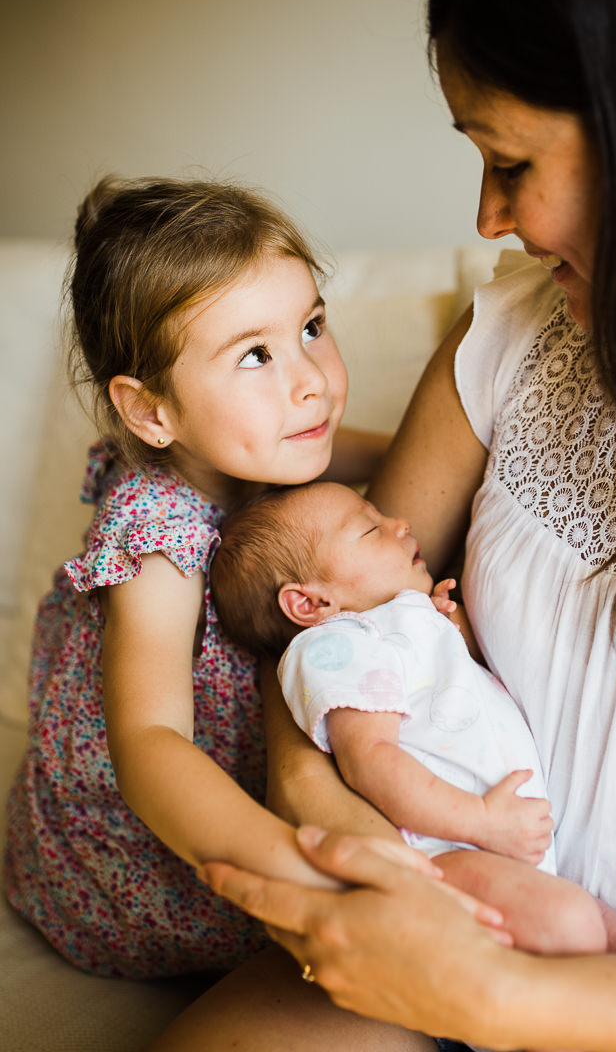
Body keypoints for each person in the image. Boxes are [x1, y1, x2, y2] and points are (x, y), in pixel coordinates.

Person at [149, 0, 616, 1049]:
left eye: (512, 162)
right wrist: (365, 855)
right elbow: (322, 659)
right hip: (459, 914)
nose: (488, 217)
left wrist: (499, 997)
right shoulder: (513, 339)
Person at [2, 175, 462, 1051]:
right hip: (127, 867)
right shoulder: (157, 536)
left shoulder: (260, 448)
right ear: (152, 410)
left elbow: (378, 448)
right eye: (255, 355)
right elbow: (149, 746)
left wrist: (446, 431)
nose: (311, 385)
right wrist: (295, 864)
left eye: (313, 329)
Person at [210, 480, 616, 956]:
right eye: (371, 529)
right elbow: (370, 760)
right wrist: (479, 821)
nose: (400, 524)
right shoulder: (336, 646)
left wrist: (443, 628)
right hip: (445, 853)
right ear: (310, 604)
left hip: (507, 850)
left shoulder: (398, 622)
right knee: (570, 924)